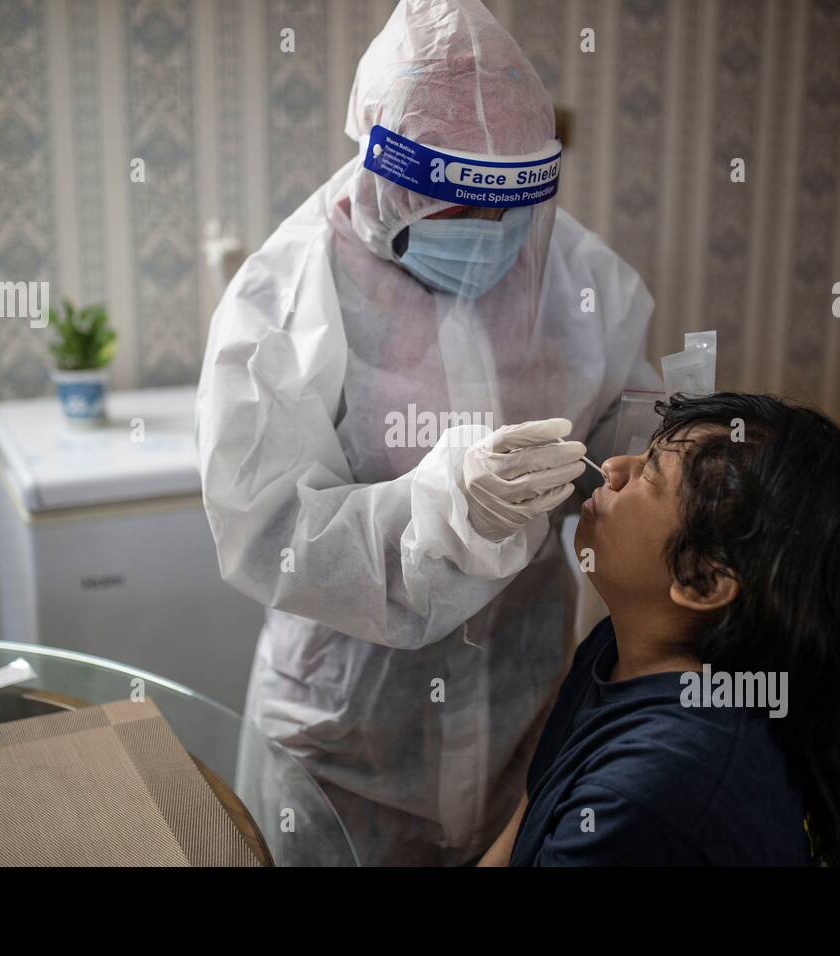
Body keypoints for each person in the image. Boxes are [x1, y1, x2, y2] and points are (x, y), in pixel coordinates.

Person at [195, 0, 657, 865]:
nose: (489, 237)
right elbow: (267, 532)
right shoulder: (286, 298)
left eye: (507, 209)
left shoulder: (581, 277)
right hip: (348, 739)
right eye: (455, 208)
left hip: (525, 711)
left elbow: (630, 441)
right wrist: (440, 513)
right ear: (385, 173)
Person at [479, 394, 840, 866]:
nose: (614, 468)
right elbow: (531, 812)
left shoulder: (652, 792)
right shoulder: (619, 647)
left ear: (702, 580)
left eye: (649, 472)